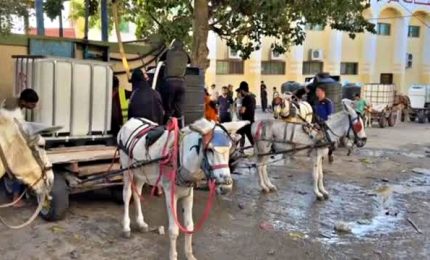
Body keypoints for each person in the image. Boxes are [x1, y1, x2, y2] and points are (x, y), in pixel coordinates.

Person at [2, 88, 39, 207]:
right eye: (32, 104)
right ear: (23, 101)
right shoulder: (11, 108)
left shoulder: (16, 105)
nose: (34, 106)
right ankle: (16, 198)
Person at [159, 39, 190, 127]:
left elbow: (159, 59)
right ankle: (180, 128)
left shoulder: (168, 52)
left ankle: (165, 128)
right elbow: (189, 62)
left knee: (167, 108)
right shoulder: (185, 54)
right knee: (179, 110)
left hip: (170, 83)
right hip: (182, 84)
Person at [236, 81, 256, 148]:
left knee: (237, 135)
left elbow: (242, 111)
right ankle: (239, 149)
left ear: (242, 90)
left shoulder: (246, 98)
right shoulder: (252, 98)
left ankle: (232, 151)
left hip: (245, 122)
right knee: (239, 134)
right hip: (251, 121)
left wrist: (239, 110)